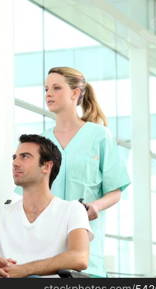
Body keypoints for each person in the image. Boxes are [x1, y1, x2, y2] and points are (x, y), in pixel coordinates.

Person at [0, 134, 93, 278]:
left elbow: (79, 257)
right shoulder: (0, 212)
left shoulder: (72, 210)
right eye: (14, 157)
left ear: (46, 166)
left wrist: (23, 270)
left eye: (25, 156)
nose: (15, 163)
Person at [44, 66, 130, 277]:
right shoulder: (41, 141)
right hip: (45, 256)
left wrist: (95, 206)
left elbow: (116, 190)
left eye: (56, 88)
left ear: (75, 93)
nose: (48, 93)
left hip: (87, 258)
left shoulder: (99, 136)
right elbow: (27, 194)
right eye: (46, 88)